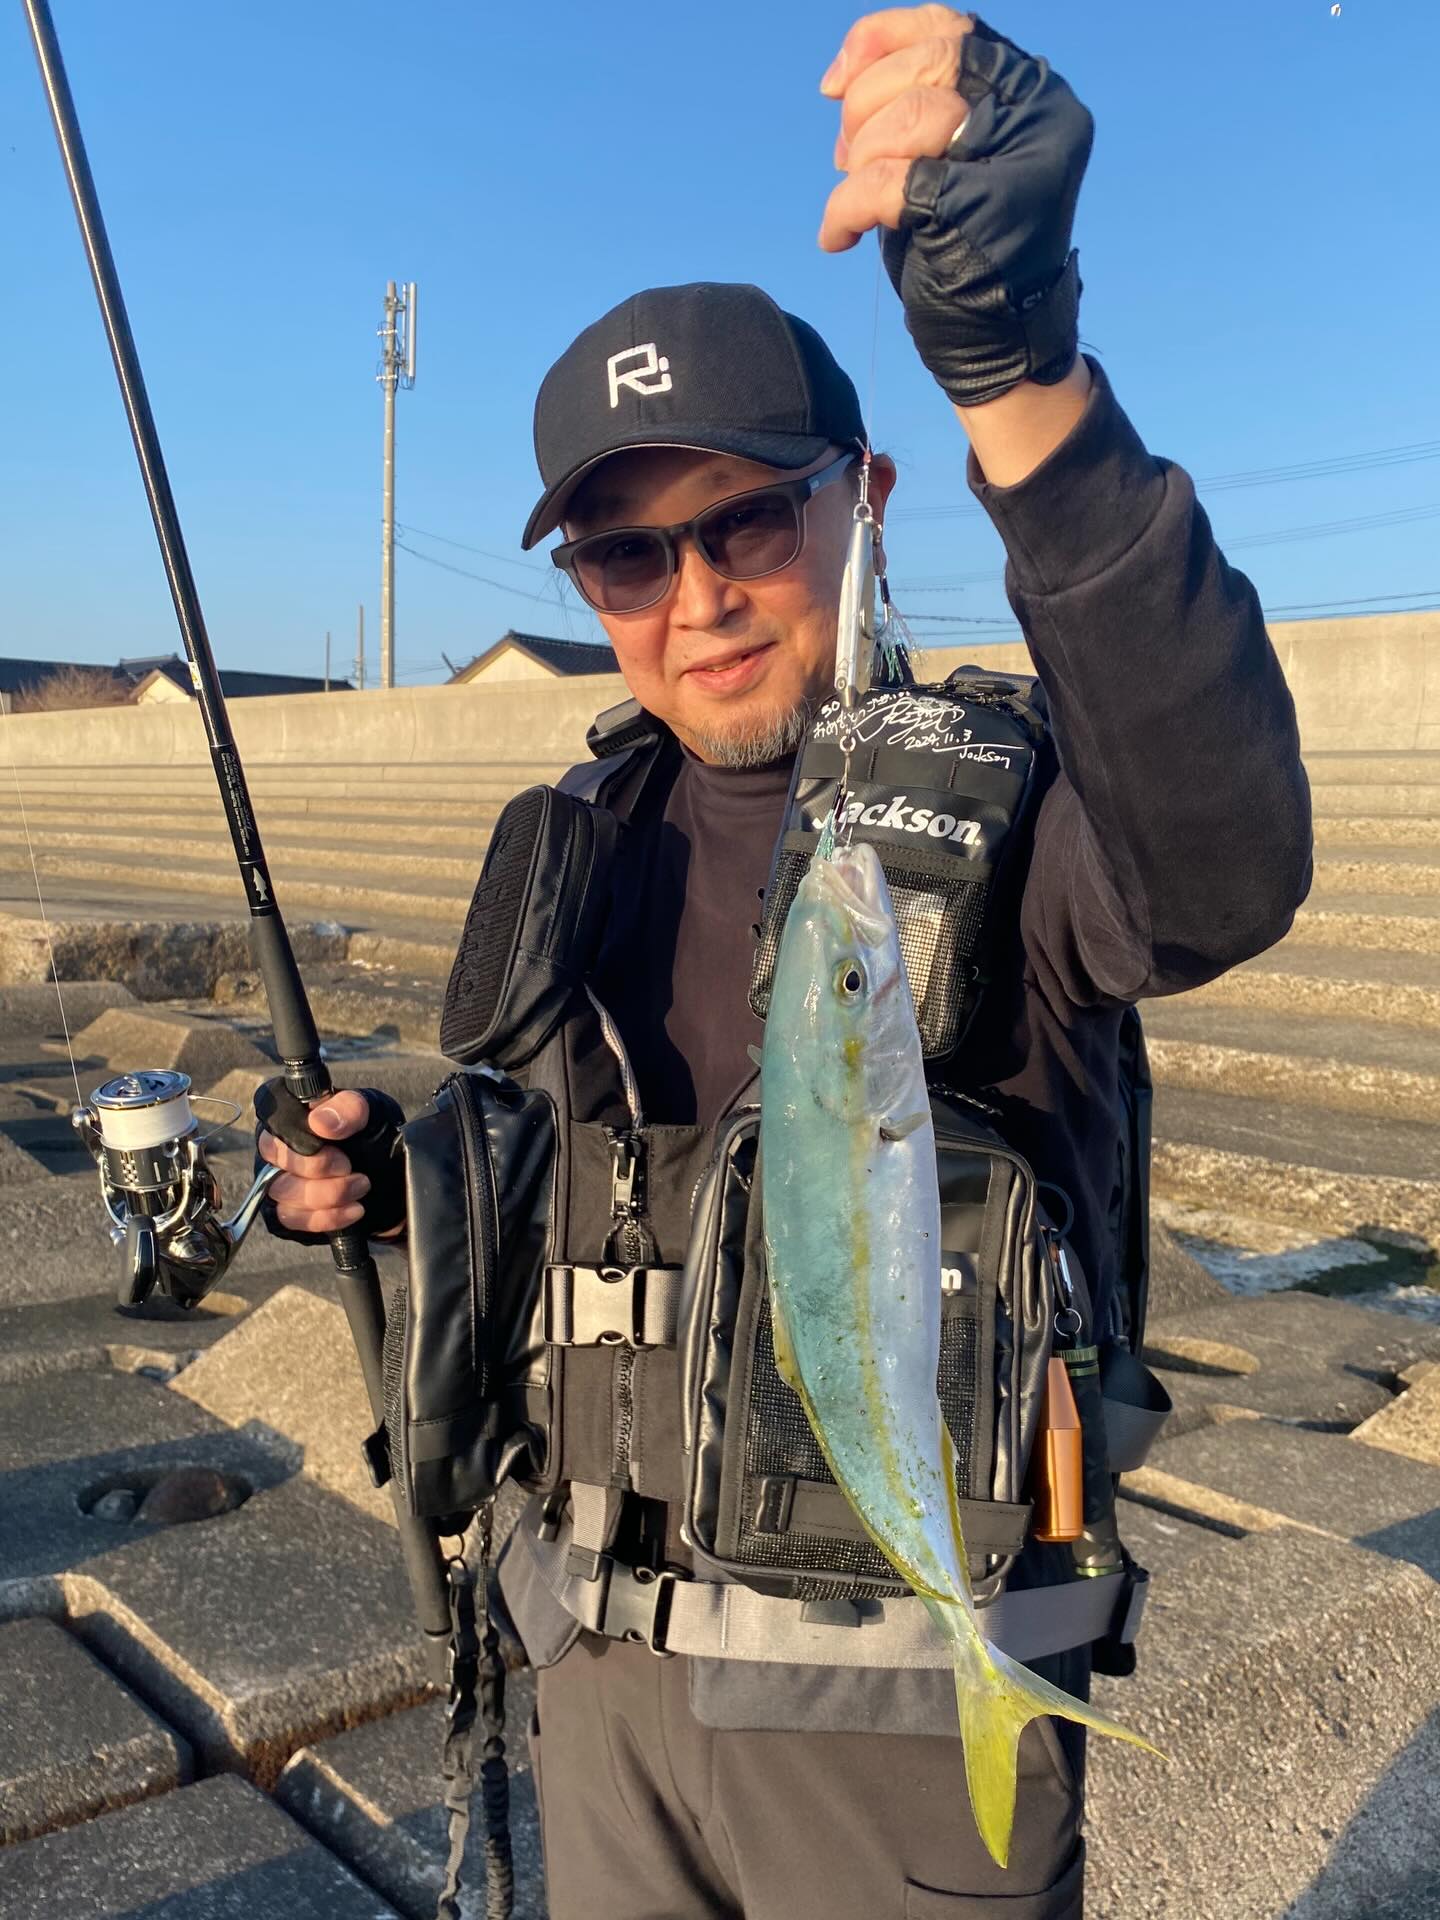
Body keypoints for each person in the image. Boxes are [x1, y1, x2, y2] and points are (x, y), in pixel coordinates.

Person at [259, 11, 1312, 1915]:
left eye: (749, 515)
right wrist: (395, 1186)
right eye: (625, 558)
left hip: (893, 1726)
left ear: (865, 496)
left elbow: (1222, 863)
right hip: (593, 1696)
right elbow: (578, 1188)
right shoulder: (568, 842)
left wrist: (1025, 382)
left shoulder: (1011, 815)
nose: (700, 595)